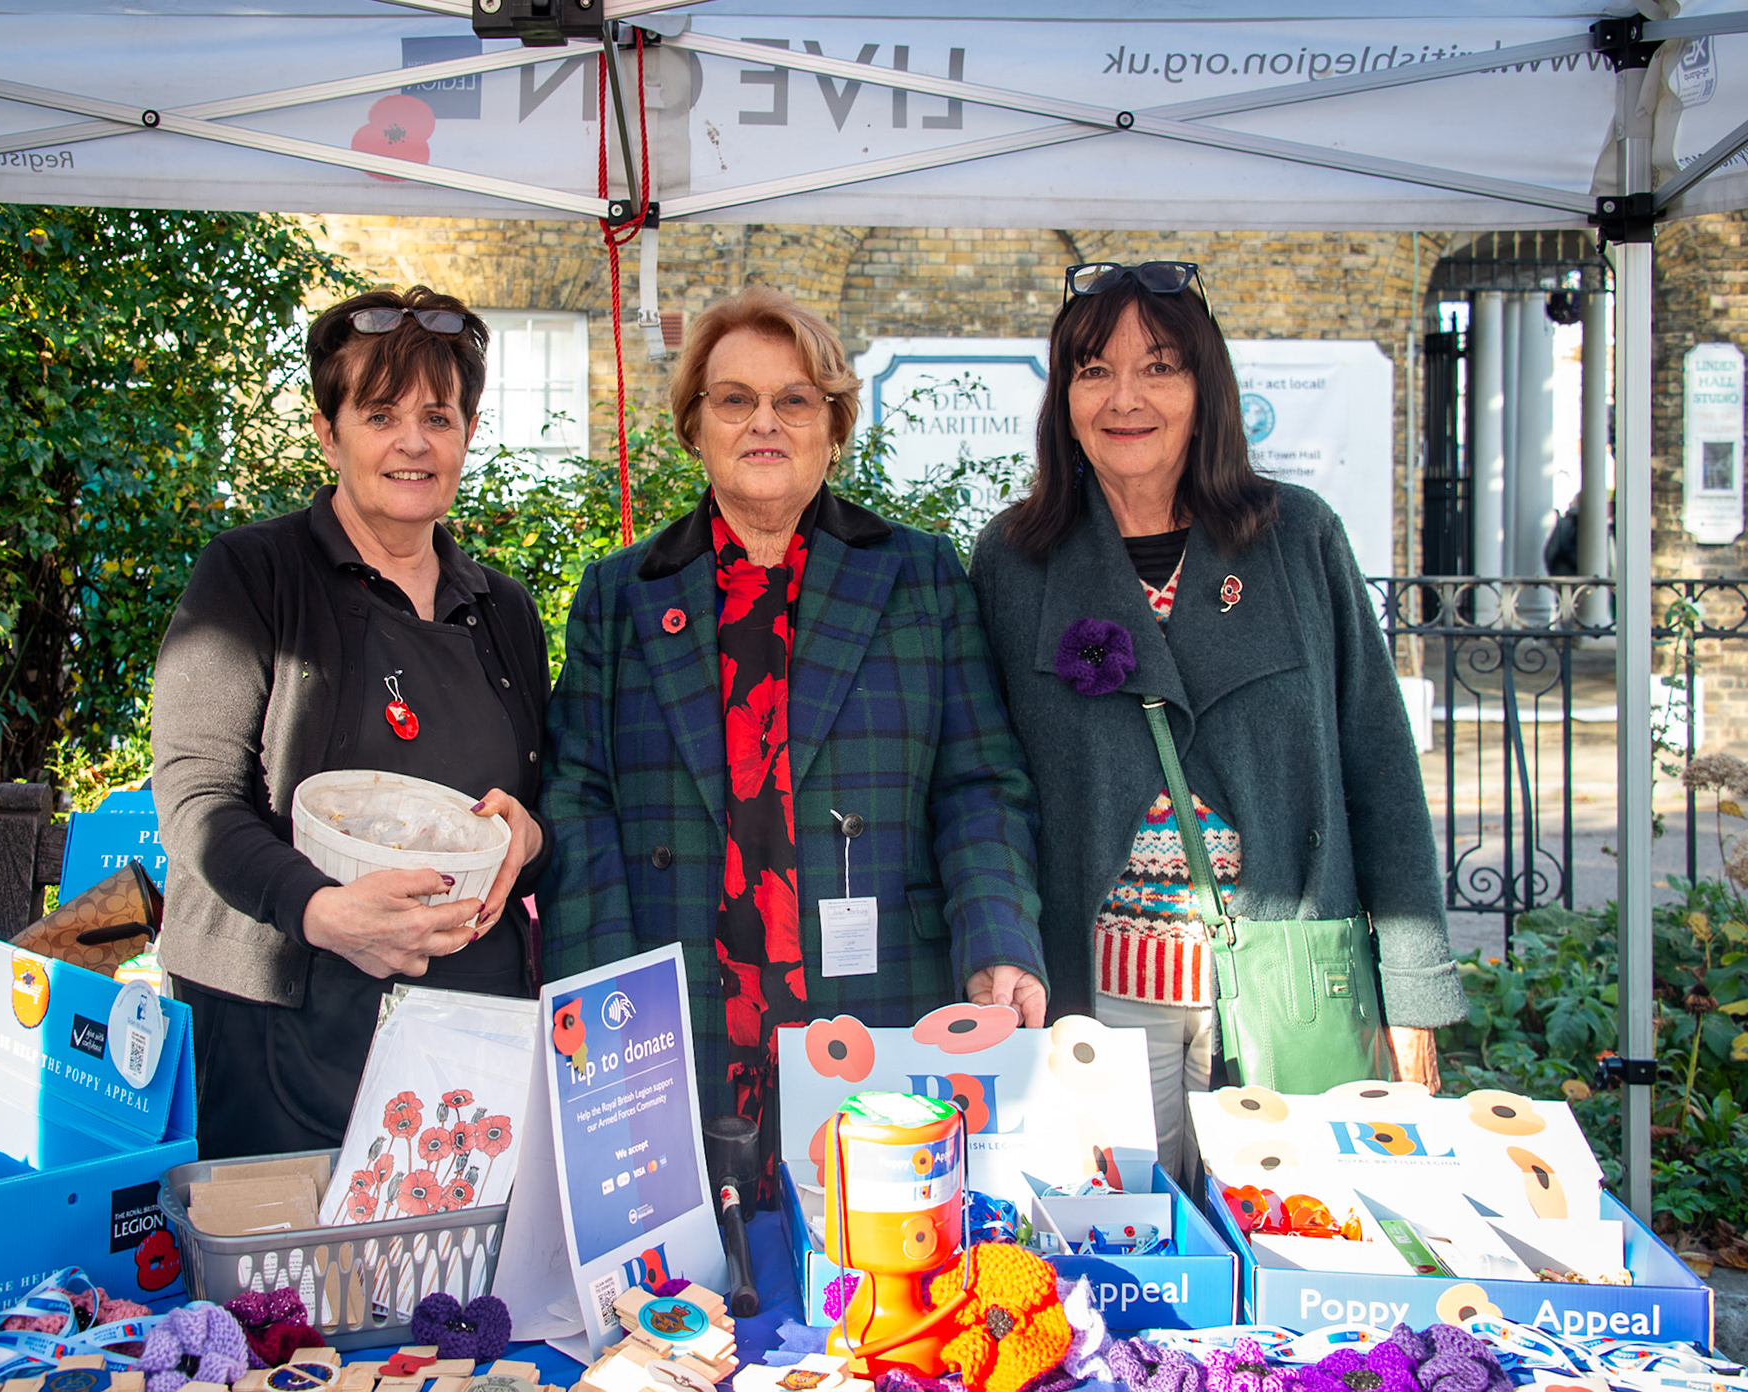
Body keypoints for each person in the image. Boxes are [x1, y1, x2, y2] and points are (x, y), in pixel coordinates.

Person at [968, 261, 1463, 1182]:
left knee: (1298, 1249)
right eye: (1093, 370)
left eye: (1159, 366)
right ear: (1063, 397)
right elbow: (985, 789)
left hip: (1291, 984)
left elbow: (1379, 767)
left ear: (1207, 387)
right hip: (1102, 1000)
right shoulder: (1016, 558)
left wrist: (1412, 994)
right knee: (1123, 1256)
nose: (1126, 398)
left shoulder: (1297, 536)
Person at [540, 285, 1047, 1170]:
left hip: (878, 1002)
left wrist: (999, 938)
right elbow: (576, 806)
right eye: (734, 399)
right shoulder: (619, 597)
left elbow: (980, 785)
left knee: (874, 1261)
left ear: (833, 425)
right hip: (679, 1017)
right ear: (696, 423)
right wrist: (605, 1005)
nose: (762, 423)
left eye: (794, 400)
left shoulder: (920, 579)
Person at [152, 286, 550, 1160]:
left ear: (469, 434)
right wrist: (324, 912)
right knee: (292, 1293)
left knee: (449, 1285)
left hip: (464, 1037)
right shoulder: (253, 576)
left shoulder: (503, 610)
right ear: (329, 433)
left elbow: (540, 801)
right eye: (381, 414)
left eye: (439, 417)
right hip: (283, 1029)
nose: (414, 442)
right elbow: (195, 796)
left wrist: (529, 836)